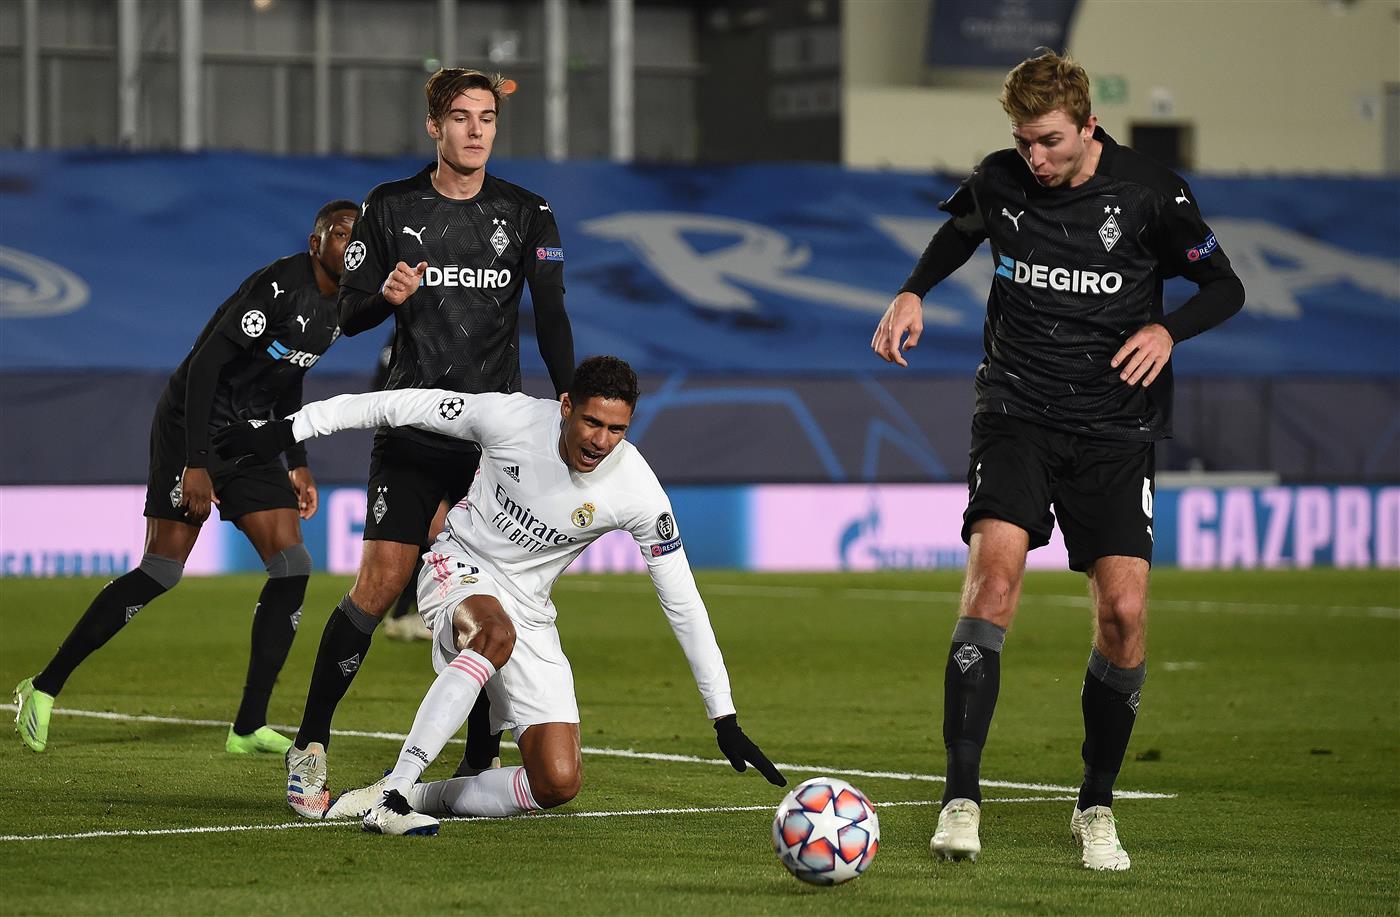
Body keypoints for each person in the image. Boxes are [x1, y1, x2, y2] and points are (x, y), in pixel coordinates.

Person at [870, 50, 1244, 871]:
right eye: (1021, 140)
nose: (1032, 157)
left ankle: (1096, 805)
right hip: (1016, 412)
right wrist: (912, 290)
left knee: (1124, 616)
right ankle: (960, 797)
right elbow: (959, 230)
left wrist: (1166, 329)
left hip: (1116, 429)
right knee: (994, 580)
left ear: (1087, 128)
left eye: (1047, 141)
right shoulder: (1001, 180)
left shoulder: (1153, 193)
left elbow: (1225, 287)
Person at [214, 356, 785, 836]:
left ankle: (416, 798)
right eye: (590, 422)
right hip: (456, 566)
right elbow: (391, 405)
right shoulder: (509, 418)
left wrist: (723, 714)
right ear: (565, 405)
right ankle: (394, 791)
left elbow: (682, 601)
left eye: (616, 430)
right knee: (492, 632)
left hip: (532, 608)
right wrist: (286, 430)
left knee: (556, 782)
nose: (600, 441)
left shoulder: (637, 490)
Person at [281, 67, 575, 818]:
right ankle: (310, 746)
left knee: (488, 593)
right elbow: (346, 316)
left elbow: (553, 314)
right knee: (378, 588)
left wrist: (569, 396)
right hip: (412, 433)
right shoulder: (390, 209)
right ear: (434, 128)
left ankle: (479, 761)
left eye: (487, 119)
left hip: (493, 443)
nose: (476, 130)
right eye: (461, 118)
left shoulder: (527, 212)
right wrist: (385, 297)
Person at [13, 199, 360, 756]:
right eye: (339, 233)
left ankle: (247, 725)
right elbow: (205, 367)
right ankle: (43, 686)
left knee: (293, 565)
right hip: (190, 426)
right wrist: (196, 462)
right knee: (161, 571)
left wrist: (296, 461)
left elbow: (289, 380)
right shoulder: (278, 287)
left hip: (248, 435)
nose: (349, 242)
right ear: (317, 240)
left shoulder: (340, 309)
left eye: (356, 235)